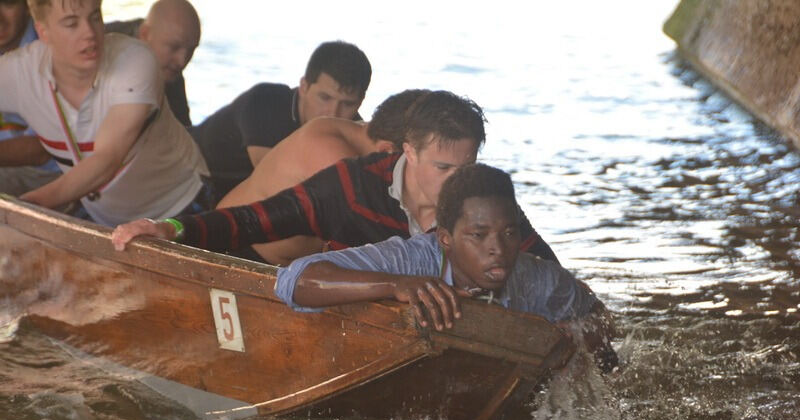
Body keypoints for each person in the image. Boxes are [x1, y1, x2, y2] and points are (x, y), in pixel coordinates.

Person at [112, 91, 557, 266]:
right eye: (444, 170)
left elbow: (550, 274)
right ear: (409, 151)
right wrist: (170, 228)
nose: (460, 184)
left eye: (467, 168)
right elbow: (253, 221)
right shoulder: (349, 186)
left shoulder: (487, 199)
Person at [275, 163, 617, 371]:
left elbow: (600, 319)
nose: (497, 249)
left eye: (509, 233)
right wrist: (395, 285)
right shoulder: (409, 261)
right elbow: (294, 279)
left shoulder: (535, 277)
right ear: (445, 239)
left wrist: (559, 344)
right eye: (478, 235)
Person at [0, 0, 210, 227]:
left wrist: (26, 206)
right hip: (104, 215)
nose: (89, 33)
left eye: (95, 17)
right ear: (43, 32)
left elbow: (105, 161)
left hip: (177, 206)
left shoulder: (136, 60)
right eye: (71, 24)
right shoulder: (19, 72)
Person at [218, 88, 431, 264]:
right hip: (232, 252)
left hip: (267, 259)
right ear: (389, 152)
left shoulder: (359, 133)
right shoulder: (336, 159)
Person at [189, 40, 372, 188]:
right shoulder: (266, 102)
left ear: (361, 101)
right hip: (187, 172)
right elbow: (275, 184)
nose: (333, 113)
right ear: (304, 86)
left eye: (348, 104)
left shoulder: (356, 129)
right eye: (324, 98)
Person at [105, 0, 200, 127]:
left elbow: (183, 131)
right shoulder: (104, 46)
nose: (182, 61)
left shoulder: (168, 71)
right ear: (145, 34)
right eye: (174, 47)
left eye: (191, 50)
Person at [0, 0, 60, 196]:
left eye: (7, 3)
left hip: (50, 174)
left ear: (28, 6)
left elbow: (42, 150)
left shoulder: (49, 50)